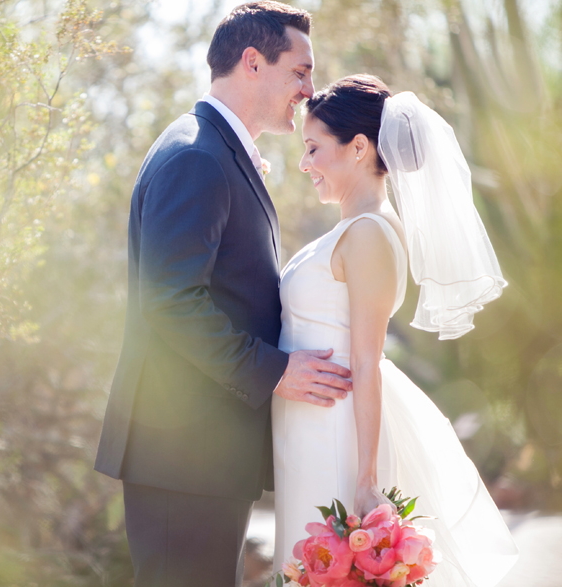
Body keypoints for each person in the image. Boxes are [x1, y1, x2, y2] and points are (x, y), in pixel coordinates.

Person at [94, 3, 354, 586]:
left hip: (198, 453)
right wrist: (276, 372)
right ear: (253, 62)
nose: (309, 90)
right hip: (181, 448)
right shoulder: (197, 157)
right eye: (300, 71)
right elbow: (171, 301)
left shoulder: (215, 150)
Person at [272, 74, 519, 586]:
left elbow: (367, 360)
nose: (305, 164)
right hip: (310, 428)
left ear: (359, 147)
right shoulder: (352, 228)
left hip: (336, 434)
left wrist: (364, 481)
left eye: (314, 148)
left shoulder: (368, 235)